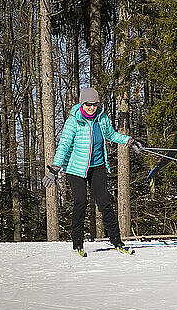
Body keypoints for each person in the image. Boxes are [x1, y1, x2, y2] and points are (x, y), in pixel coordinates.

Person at [42, 87, 144, 256]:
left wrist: (130, 141)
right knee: (80, 202)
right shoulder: (74, 121)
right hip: (76, 169)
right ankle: (77, 243)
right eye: (88, 105)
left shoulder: (101, 118)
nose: (91, 108)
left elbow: (111, 135)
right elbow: (64, 145)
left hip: (97, 166)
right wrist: (54, 168)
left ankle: (117, 241)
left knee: (104, 202)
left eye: (94, 104)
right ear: (82, 104)